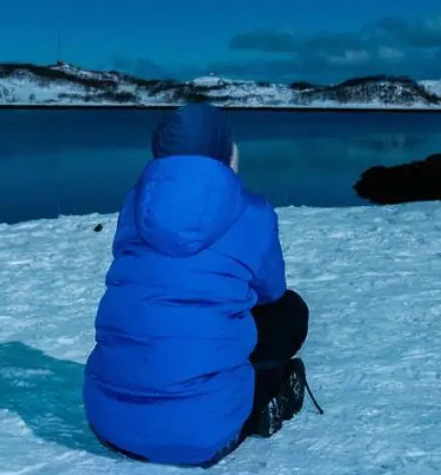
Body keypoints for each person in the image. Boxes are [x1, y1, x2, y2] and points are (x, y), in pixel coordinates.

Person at [83, 103, 314, 466]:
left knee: (155, 313)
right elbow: (271, 291)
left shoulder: (135, 205)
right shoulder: (251, 210)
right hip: (201, 438)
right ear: (226, 151)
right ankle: (261, 401)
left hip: (108, 423)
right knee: (287, 312)